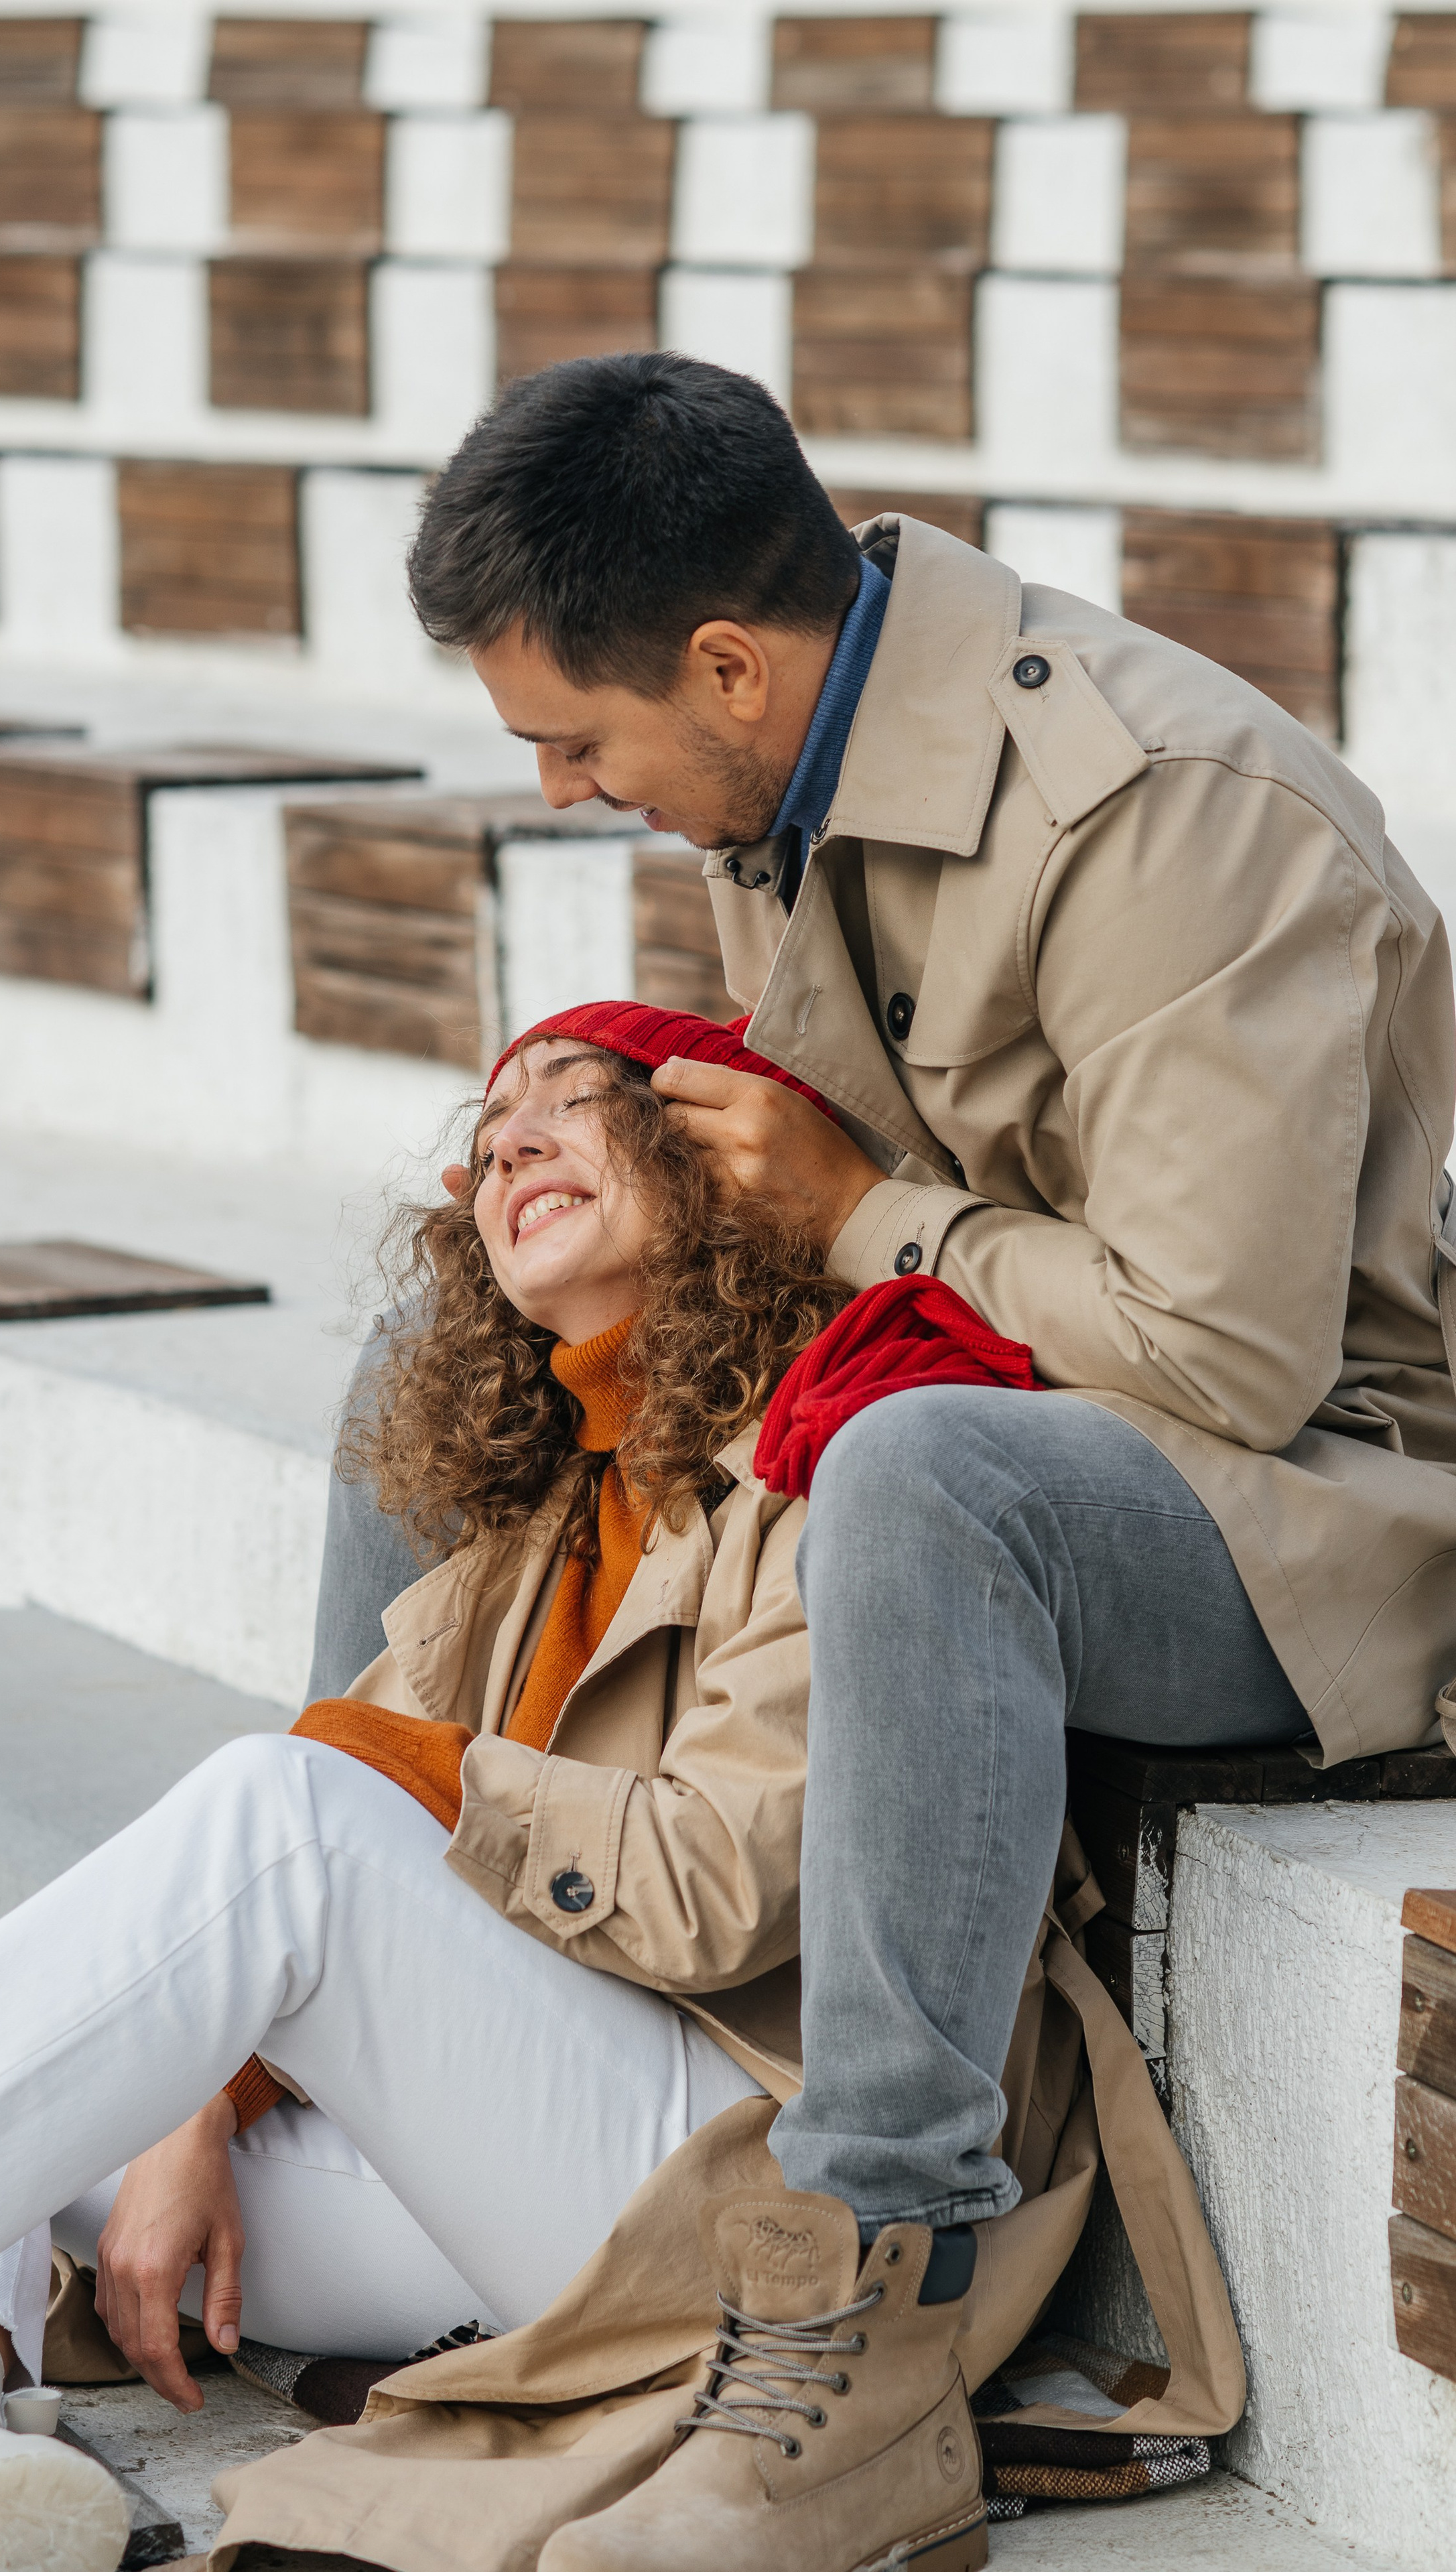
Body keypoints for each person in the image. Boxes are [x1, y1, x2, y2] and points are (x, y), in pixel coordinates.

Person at [298, 350, 1456, 2572]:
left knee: (928, 1471)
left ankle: (865, 2303)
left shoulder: (1176, 813)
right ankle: (355, 1896)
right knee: (449, 1312)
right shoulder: (788, 773)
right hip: (1004, 1377)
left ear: (727, 663)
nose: (559, 787)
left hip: (1307, 1496)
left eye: (576, 737)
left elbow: (1226, 1354)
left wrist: (857, 1216)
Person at [0, 1005, 879, 2565]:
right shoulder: (528, 1540)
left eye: (576, 1099)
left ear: (718, 1156)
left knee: (286, 1804)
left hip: (709, 2178)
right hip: (495, 2173)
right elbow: (300, 1871)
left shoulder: (825, 1469)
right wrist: (199, 2098)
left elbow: (719, 1884)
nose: (513, 1141)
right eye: (486, 1142)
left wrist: (389, 1782)